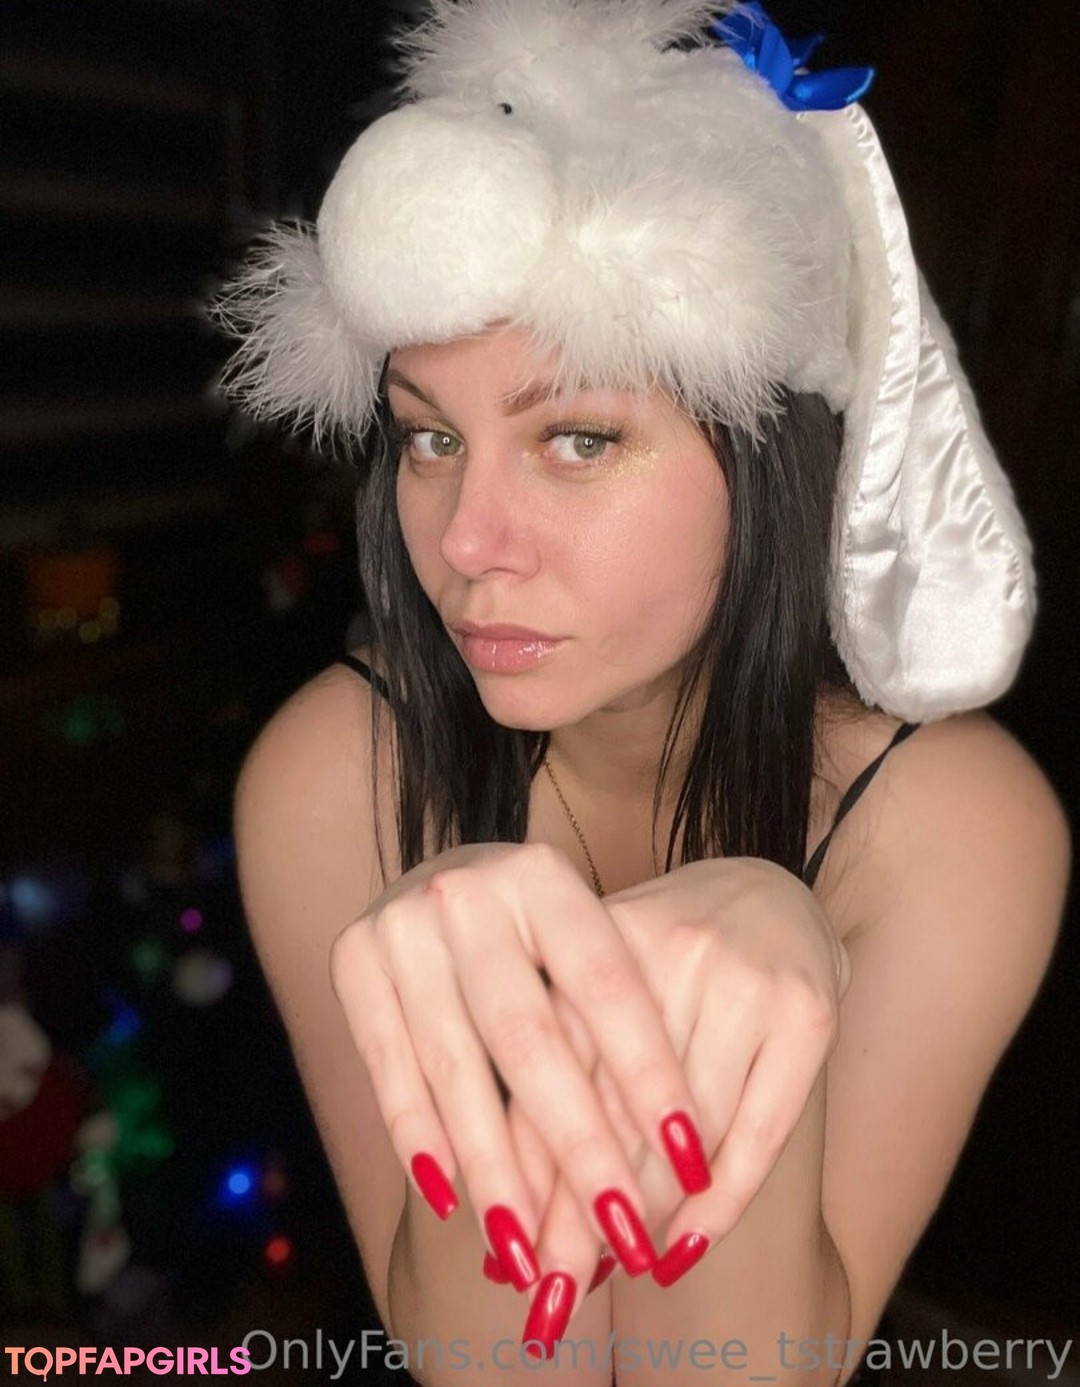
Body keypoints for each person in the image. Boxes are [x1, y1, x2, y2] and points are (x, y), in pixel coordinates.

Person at [211, 3, 1071, 1383]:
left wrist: (775, 958)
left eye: (578, 439)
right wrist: (511, 1030)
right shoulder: (333, 778)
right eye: (429, 437)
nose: (467, 543)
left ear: (767, 455)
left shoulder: (953, 829)